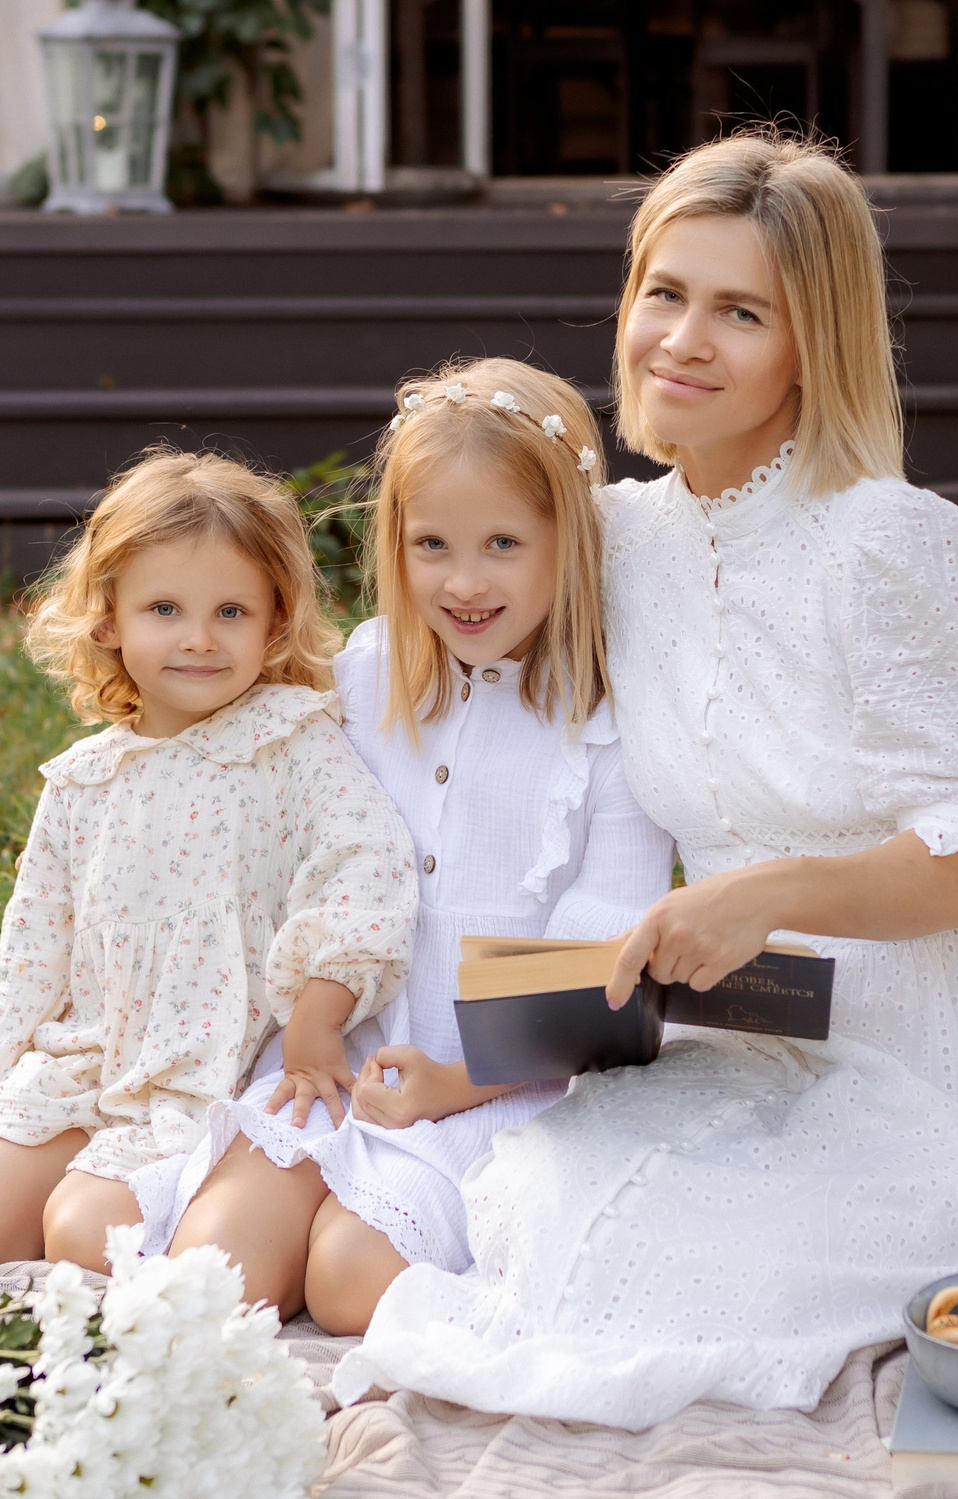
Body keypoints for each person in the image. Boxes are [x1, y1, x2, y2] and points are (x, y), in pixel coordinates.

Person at [334, 133, 958, 1428]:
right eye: (665, 293)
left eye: (741, 311)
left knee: (637, 1266)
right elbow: (442, 626)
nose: (683, 339)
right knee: (532, 1196)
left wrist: (764, 892)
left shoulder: (891, 544)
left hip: (953, 1068)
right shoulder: (618, 537)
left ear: (816, 340)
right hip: (755, 1015)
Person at [127, 359, 674, 1334]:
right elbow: (290, 846)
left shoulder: (609, 720)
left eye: (503, 543)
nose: (463, 583)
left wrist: (456, 1085)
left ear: (571, 542)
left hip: (513, 1089)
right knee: (207, 1279)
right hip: (344, 1061)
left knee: (347, 1286)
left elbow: (606, 965)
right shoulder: (367, 677)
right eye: (432, 545)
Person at [0, 448, 416, 1274]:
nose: (199, 639)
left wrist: (320, 1010)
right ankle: (38, 1176)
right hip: (89, 1061)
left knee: (88, 1233)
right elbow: (30, 957)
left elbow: (369, 869)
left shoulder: (289, 742)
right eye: (165, 608)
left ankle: (131, 1211)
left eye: (232, 613)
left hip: (204, 1073)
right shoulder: (84, 782)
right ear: (109, 620)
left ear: (276, 621)